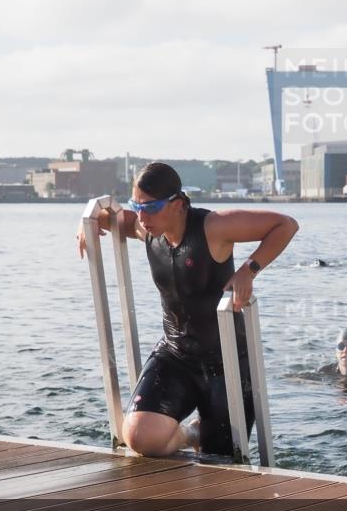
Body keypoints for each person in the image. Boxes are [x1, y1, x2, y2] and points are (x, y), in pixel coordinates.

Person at [77, 162, 299, 457]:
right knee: (139, 436)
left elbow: (285, 225)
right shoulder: (148, 228)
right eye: (136, 206)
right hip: (176, 354)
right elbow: (112, 218)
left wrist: (249, 270)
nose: (142, 216)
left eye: (151, 207)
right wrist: (87, 222)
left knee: (221, 459)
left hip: (226, 361)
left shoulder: (214, 227)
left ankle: (203, 433)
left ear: (178, 204)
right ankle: (190, 433)